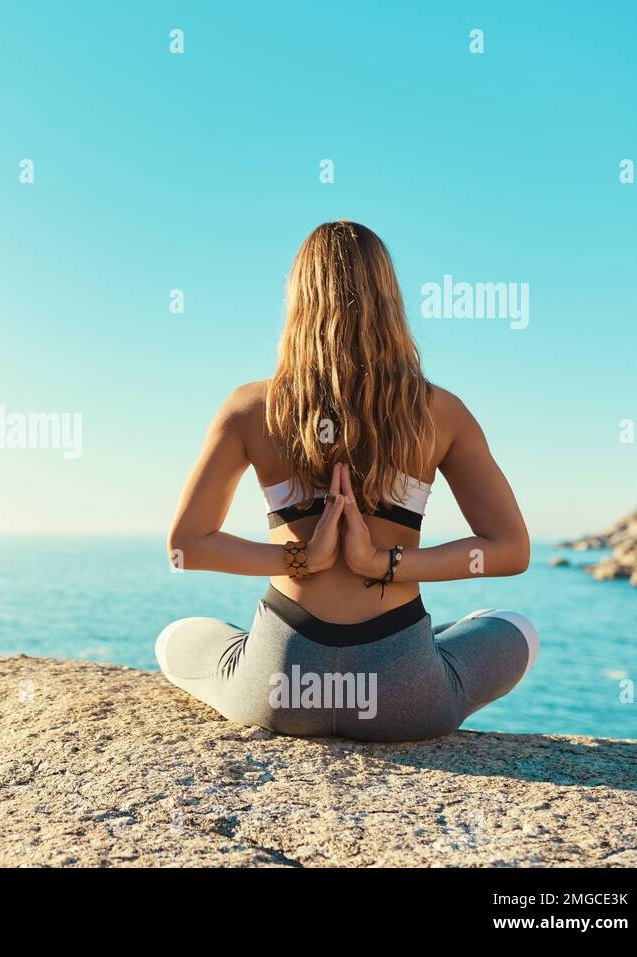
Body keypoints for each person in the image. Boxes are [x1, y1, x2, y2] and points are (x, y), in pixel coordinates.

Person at [158, 221, 537, 742]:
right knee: (513, 627)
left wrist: (300, 559)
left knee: (175, 638)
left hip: (283, 684)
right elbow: (511, 550)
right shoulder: (441, 412)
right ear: (389, 298)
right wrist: (384, 564)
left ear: (298, 299)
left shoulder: (250, 408)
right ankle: (430, 646)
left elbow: (186, 548)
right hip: (399, 690)